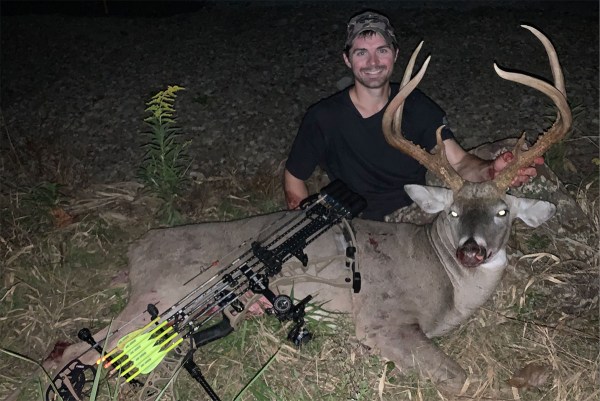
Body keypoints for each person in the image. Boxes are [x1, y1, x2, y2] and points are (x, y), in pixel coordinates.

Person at [283, 10, 543, 221]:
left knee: (512, 151)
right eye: (361, 53)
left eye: (382, 50)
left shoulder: (416, 105)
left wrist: (490, 171)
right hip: (360, 224)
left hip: (419, 208)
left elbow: (459, 161)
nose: (373, 62)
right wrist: (306, 226)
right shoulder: (323, 118)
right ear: (347, 59)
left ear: (395, 54)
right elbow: (294, 178)